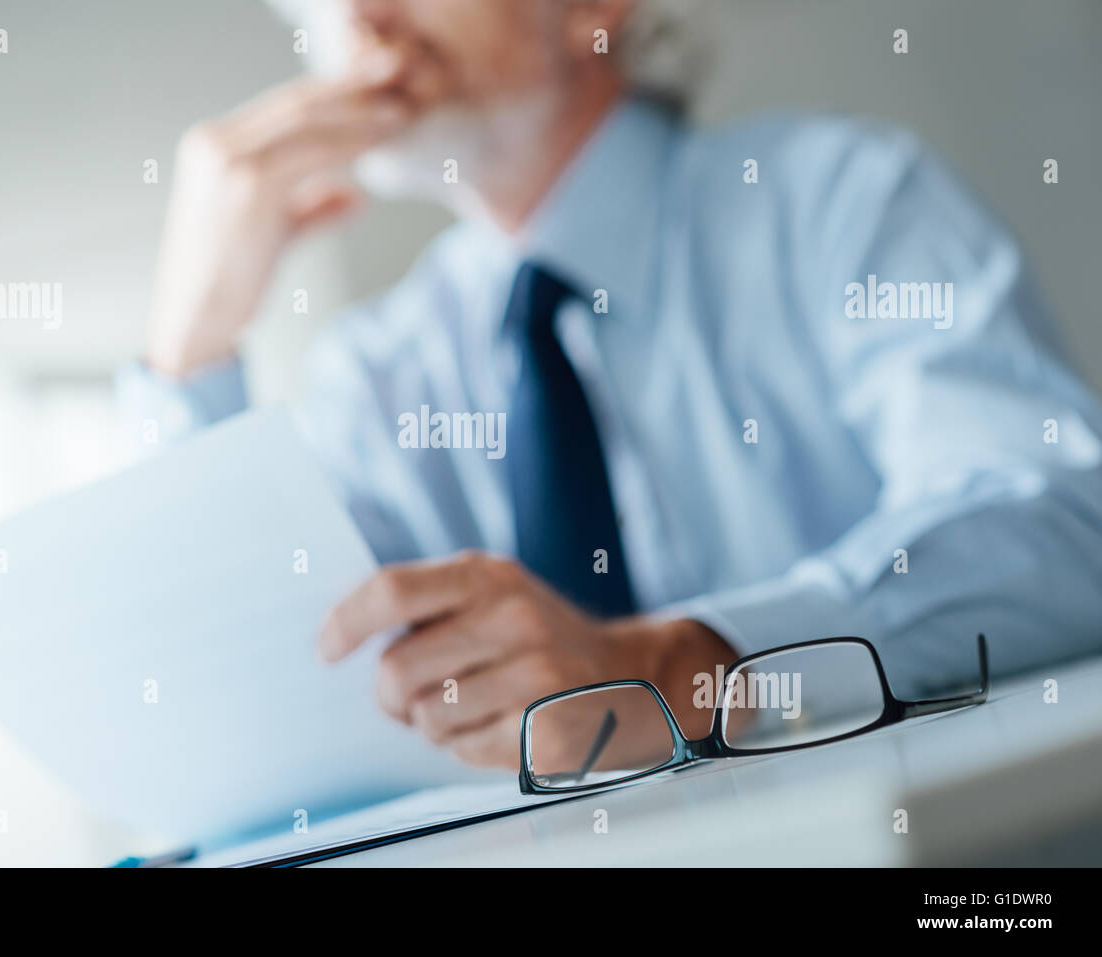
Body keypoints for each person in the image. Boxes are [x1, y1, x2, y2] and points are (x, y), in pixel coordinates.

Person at [118, 0, 1102, 768]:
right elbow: (233, 727)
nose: (357, 20)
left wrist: (684, 671)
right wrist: (188, 349)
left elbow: (1060, 530)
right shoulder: (372, 378)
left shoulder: (844, 202)